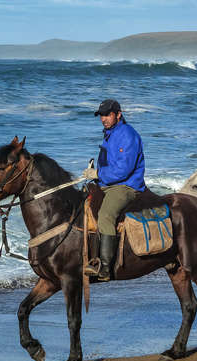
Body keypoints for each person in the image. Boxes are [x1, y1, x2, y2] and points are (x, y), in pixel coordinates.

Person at [83, 99, 146, 281]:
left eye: (107, 115)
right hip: (107, 183)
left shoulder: (127, 134)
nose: (103, 119)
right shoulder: (109, 133)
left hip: (126, 185)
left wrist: (97, 173)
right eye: (101, 115)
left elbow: (123, 170)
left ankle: (105, 268)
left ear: (118, 114)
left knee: (106, 215)